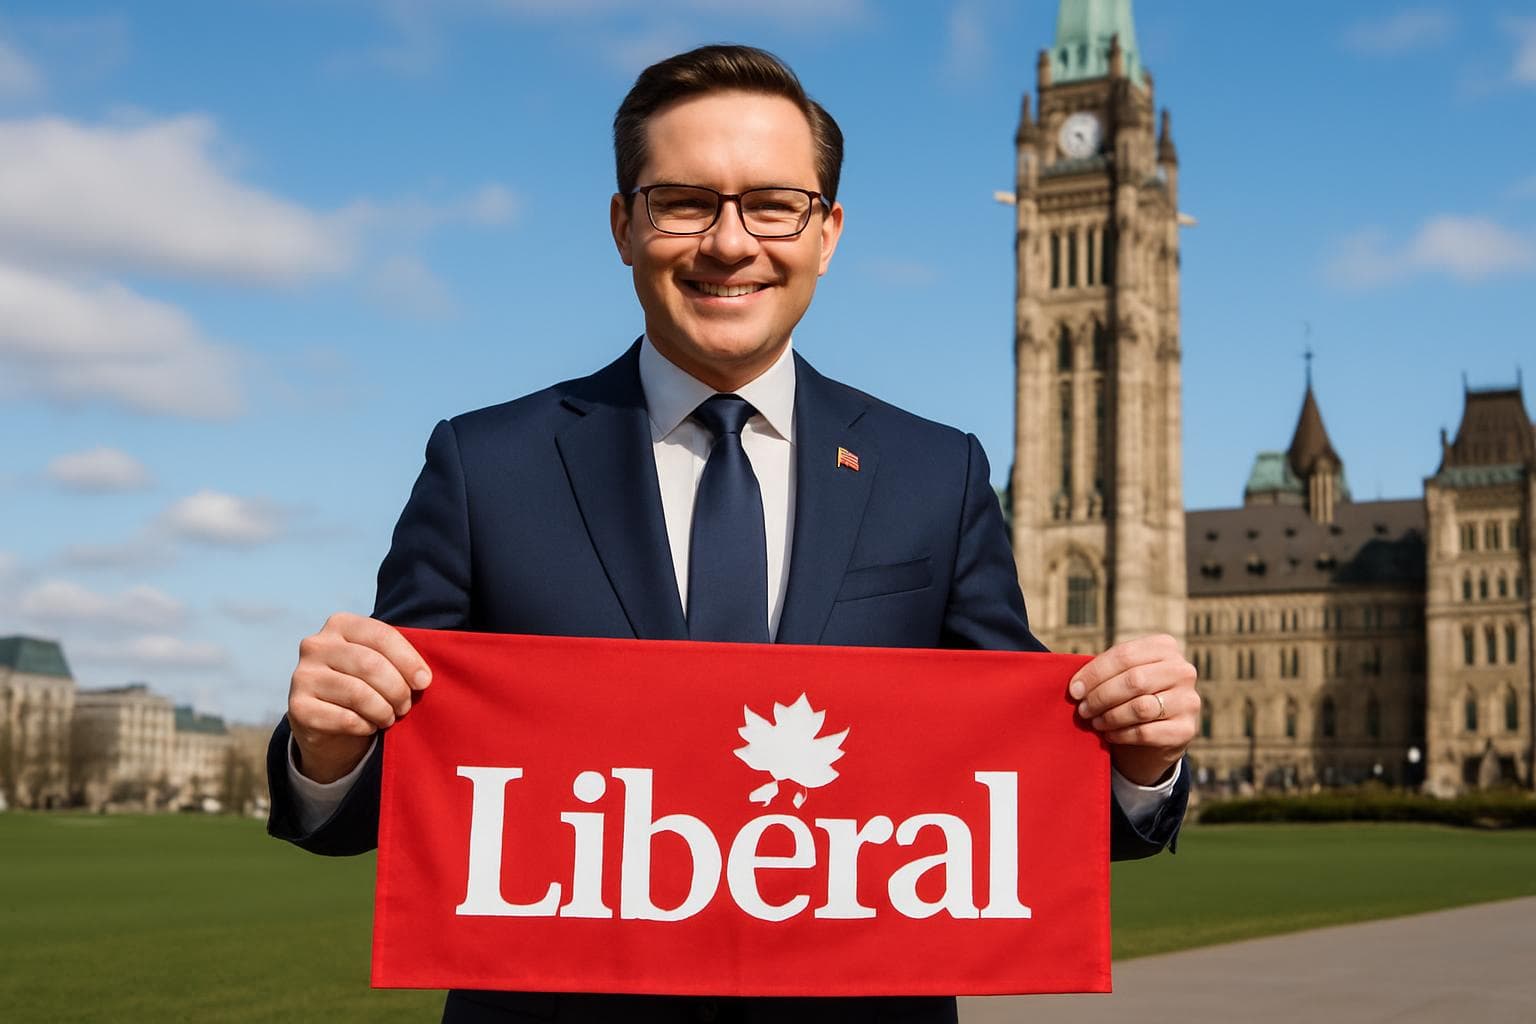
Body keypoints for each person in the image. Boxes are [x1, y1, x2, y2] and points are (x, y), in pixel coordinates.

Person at [267, 44, 1199, 1024]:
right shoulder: (487, 467)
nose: (728, 241)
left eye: (772, 204)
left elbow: (1022, 790)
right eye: (683, 202)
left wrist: (1142, 762)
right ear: (624, 225)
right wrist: (330, 750)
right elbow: (396, 798)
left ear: (827, 232)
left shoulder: (936, 475)